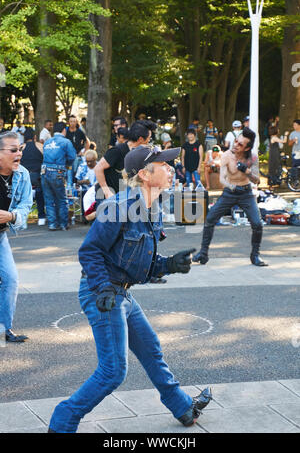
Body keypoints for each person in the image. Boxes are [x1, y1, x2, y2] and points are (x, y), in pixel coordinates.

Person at [48, 144, 212, 433]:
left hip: (122, 292)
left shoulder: (153, 208)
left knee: (150, 349)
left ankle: (183, 406)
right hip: (102, 294)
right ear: (144, 174)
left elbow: (142, 267)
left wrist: (170, 265)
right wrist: (102, 289)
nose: (171, 168)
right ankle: (62, 422)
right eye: (163, 164)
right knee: (113, 372)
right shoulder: (118, 206)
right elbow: (90, 252)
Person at [193, 127, 268, 267]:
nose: (236, 145)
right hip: (230, 192)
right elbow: (222, 178)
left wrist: (247, 171)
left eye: (240, 144)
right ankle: (203, 253)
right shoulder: (227, 155)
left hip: (246, 193)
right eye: (236, 141)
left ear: (246, 148)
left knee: (257, 224)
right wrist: (230, 186)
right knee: (209, 219)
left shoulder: (252, 158)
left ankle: (255, 255)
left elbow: (257, 180)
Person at [0, 132, 33, 342]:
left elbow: (26, 206)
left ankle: (4, 330)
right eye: (13, 150)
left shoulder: (22, 174)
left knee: (10, 280)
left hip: (1, 236)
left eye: (20, 149)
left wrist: (12, 216)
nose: (18, 153)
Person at [94, 119, 154, 202]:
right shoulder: (117, 151)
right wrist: (107, 192)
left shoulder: (139, 154)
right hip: (106, 196)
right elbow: (98, 168)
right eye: (149, 139)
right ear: (140, 139)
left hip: (123, 197)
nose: (149, 142)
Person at [41, 122, 76, 231]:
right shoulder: (66, 142)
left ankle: (52, 224)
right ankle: (63, 224)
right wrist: (66, 165)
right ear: (64, 130)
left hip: (44, 171)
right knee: (61, 198)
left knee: (49, 199)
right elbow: (72, 157)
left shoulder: (47, 142)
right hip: (58, 171)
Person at [20, 127, 46, 225]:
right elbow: (46, 159)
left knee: (23, 198)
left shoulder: (21, 147)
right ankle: (41, 217)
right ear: (35, 137)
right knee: (40, 196)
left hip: (24, 176)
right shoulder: (40, 145)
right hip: (37, 175)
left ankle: (23, 218)